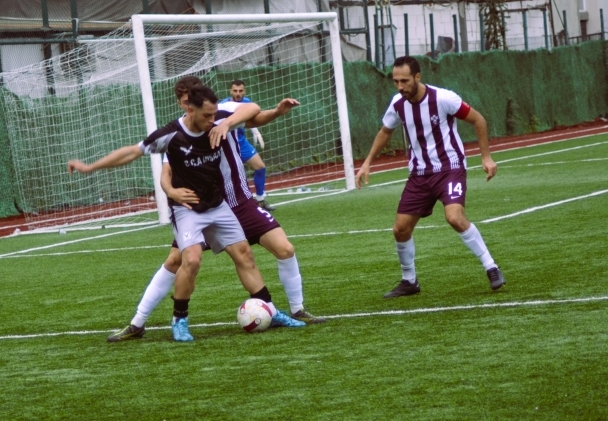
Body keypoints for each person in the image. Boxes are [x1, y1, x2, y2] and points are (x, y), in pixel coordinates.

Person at [68, 85, 306, 342]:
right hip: (188, 209)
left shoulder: (218, 121)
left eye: (214, 115)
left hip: (219, 204)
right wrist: (90, 167)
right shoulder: (172, 135)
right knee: (189, 260)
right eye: (207, 115)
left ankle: (271, 310)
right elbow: (133, 152)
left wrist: (228, 123)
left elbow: (252, 110)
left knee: (244, 254)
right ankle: (177, 320)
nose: (212, 120)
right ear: (189, 109)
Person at [355, 55, 506, 298]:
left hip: (449, 168)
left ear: (417, 77)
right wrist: (367, 163)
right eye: (395, 81)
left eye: (405, 81)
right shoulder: (398, 104)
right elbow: (385, 131)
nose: (400, 86)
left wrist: (486, 157)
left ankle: (491, 267)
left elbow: (478, 120)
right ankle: (409, 281)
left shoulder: (443, 98)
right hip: (419, 174)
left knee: (454, 217)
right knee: (400, 229)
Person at [221, 79, 275, 211]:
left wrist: (255, 132)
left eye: (240, 91)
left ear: (244, 91)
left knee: (260, 167)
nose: (238, 93)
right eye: (235, 91)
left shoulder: (247, 102)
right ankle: (225, 204)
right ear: (230, 91)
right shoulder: (223, 105)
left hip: (241, 142)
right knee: (228, 175)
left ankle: (260, 200)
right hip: (228, 143)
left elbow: (250, 118)